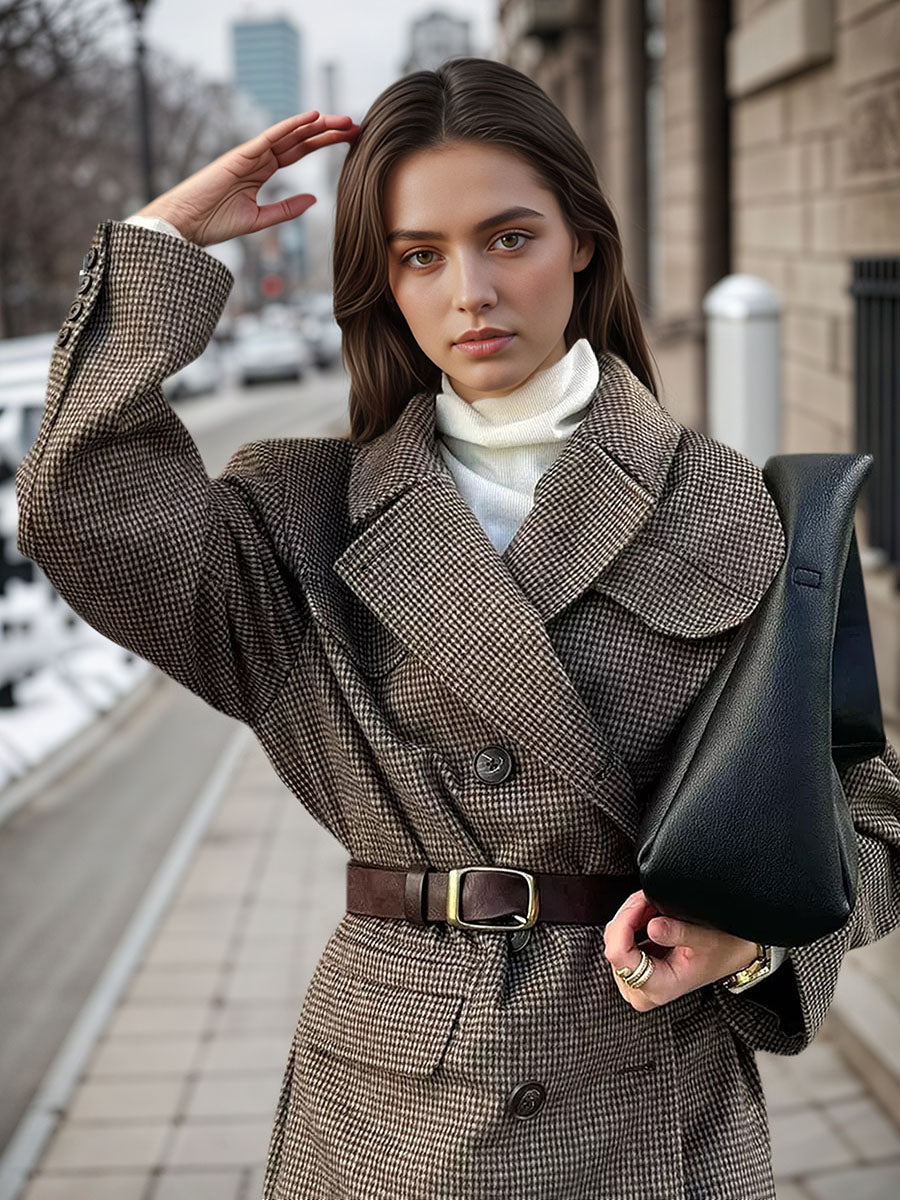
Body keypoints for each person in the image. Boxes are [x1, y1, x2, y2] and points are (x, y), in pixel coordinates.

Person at [17, 56, 900, 1200]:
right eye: (419, 256)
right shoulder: (296, 517)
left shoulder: (732, 502)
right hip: (391, 1103)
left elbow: (871, 819)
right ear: (383, 282)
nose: (470, 290)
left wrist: (758, 944)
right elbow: (76, 504)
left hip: (649, 1083)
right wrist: (164, 249)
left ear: (584, 239)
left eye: (510, 237)